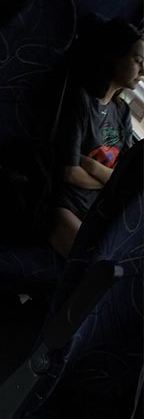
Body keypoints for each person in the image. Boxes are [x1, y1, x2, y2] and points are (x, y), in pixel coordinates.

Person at [48, 15, 144, 258]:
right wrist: (109, 179)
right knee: (89, 266)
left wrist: (90, 165)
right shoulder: (81, 101)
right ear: (115, 56)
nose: (142, 71)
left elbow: (123, 175)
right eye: (138, 60)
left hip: (97, 208)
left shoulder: (122, 111)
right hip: (66, 204)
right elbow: (69, 173)